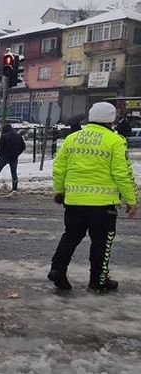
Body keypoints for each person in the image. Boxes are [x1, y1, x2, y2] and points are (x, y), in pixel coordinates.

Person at [48, 102, 138, 293]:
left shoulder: (72, 139)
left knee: (70, 237)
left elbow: (59, 167)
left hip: (74, 201)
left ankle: (57, 269)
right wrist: (131, 199)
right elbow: (122, 173)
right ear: (111, 120)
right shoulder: (115, 141)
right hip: (103, 205)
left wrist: (59, 191)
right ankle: (98, 281)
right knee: (101, 243)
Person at [0, 124, 26, 191]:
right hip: (14, 157)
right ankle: (14, 188)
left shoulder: (4, 136)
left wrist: (1, 155)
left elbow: (0, 147)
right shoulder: (18, 136)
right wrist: (17, 153)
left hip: (5, 156)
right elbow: (23, 147)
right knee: (14, 172)